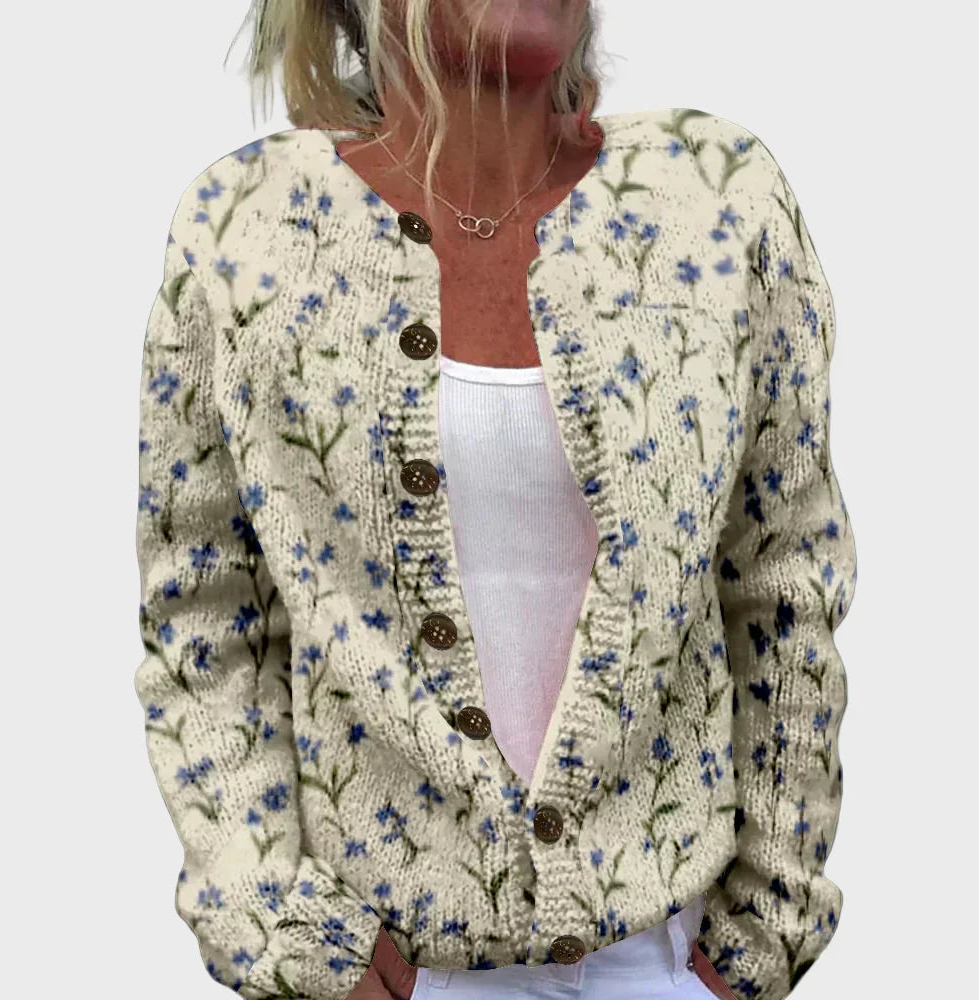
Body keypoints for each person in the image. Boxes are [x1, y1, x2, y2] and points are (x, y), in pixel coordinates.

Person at [134, 2, 856, 1000]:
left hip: (666, 962)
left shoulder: (715, 198)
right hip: (389, 966)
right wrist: (282, 930)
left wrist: (758, 939)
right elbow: (204, 618)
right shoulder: (246, 229)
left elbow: (784, 584)